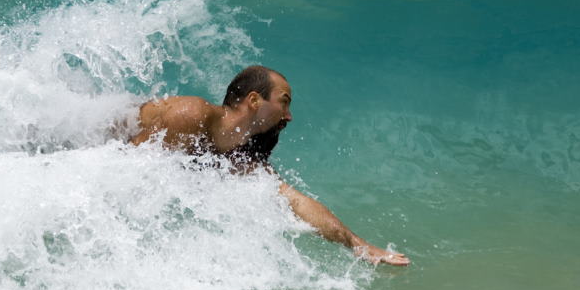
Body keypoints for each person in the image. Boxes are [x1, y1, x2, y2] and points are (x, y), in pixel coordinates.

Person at [130, 65, 410, 266]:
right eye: (284, 103)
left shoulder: (241, 157)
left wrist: (359, 245)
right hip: (111, 131)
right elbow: (125, 166)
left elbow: (296, 202)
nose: (288, 116)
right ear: (254, 100)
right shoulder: (192, 115)